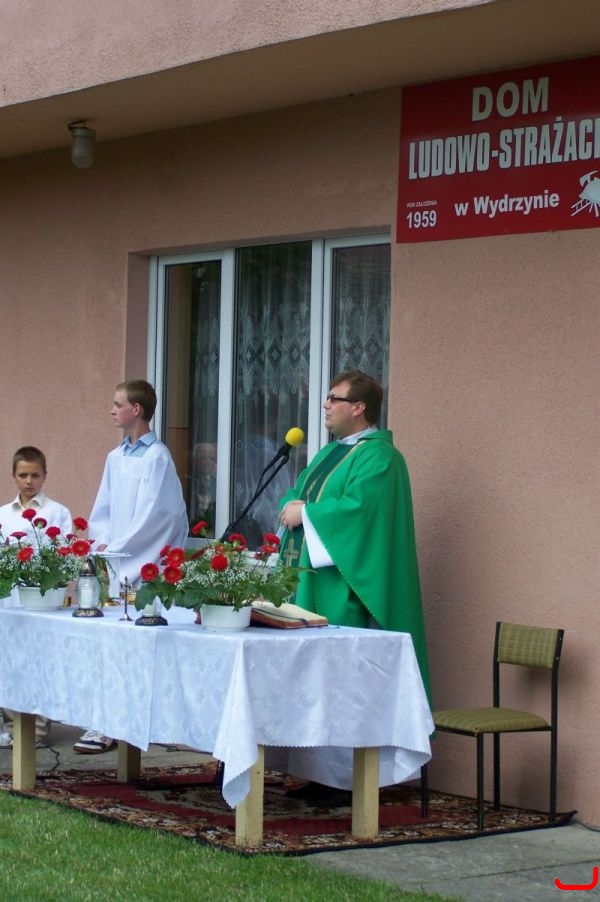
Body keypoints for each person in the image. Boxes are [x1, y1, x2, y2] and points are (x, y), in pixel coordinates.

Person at [278, 370, 430, 697]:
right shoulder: (330, 453)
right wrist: (291, 505)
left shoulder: (380, 456)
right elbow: (300, 492)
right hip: (306, 581)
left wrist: (306, 513)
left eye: (335, 398)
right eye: (327, 397)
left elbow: (360, 512)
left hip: (342, 588)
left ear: (359, 407)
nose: (325, 404)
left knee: (340, 688)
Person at [73, 379, 188, 754]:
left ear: (136, 409)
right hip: (118, 565)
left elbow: (160, 516)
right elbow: (103, 509)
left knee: (140, 652)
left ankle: (138, 724)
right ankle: (103, 723)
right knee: (108, 649)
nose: (111, 410)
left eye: (117, 404)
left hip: (144, 567)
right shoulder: (115, 457)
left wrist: (124, 550)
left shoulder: (157, 458)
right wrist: (105, 544)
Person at [0, 446, 73, 749]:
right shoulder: (4, 514)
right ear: (13, 476)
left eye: (35, 475)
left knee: (40, 660)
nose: (29, 481)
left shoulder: (57, 512)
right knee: (10, 661)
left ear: (44, 475)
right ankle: (11, 725)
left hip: (42, 599)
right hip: (10, 599)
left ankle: (39, 729)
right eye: (23, 475)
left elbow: (65, 553)